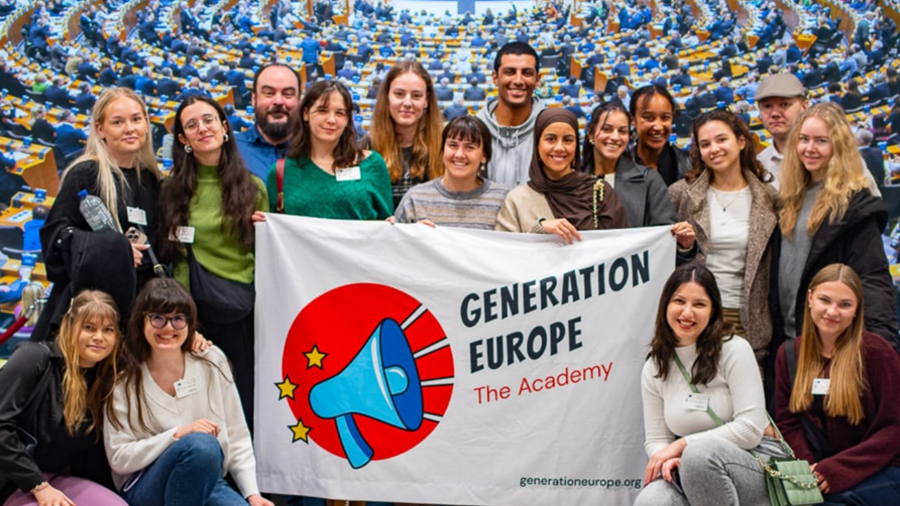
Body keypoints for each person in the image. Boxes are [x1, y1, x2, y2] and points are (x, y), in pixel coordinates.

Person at [769, 102, 899, 401]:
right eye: (803, 139)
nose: (809, 148)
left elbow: (873, 277)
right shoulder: (788, 196)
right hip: (791, 337)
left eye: (821, 141)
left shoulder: (854, 203)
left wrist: (883, 347)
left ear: (838, 145)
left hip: (831, 342)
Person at [104, 278, 274, 506]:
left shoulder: (211, 360)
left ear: (189, 323)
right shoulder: (123, 377)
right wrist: (177, 434)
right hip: (145, 484)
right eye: (157, 318)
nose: (168, 327)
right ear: (141, 321)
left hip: (206, 479)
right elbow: (119, 457)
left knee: (203, 450)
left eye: (178, 319)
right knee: (202, 446)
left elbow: (236, 433)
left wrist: (252, 494)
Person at [157, 96, 268, 428]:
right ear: (183, 140)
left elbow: (265, 255)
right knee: (200, 403)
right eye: (192, 125)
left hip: (242, 313)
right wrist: (184, 323)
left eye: (208, 120)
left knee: (243, 400)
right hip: (194, 316)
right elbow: (175, 260)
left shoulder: (253, 187)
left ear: (224, 128)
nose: (202, 128)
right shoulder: (170, 191)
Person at [635, 264, 783, 506]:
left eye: (699, 304)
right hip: (691, 463)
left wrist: (682, 445)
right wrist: (668, 458)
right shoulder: (655, 366)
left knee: (699, 456)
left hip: (755, 461)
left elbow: (750, 429)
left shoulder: (734, 349)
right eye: (679, 301)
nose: (687, 313)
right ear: (665, 305)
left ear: (713, 310)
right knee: (651, 501)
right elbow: (656, 439)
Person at [32, 87, 161, 343]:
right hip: (86, 314)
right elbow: (54, 239)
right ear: (101, 130)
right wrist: (115, 251)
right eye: (117, 122)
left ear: (146, 124)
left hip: (136, 313)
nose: (129, 128)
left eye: (136, 119)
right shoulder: (84, 174)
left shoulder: (152, 181)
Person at [775, 264, 900, 502]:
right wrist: (809, 469)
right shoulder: (789, 354)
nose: (833, 312)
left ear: (856, 310)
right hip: (821, 467)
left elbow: (893, 428)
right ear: (810, 298)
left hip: (882, 467)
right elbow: (787, 422)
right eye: (825, 300)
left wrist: (836, 470)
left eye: (845, 304)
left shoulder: (877, 353)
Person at [669, 110, 779, 365]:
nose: (714, 149)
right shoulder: (680, 194)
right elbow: (665, 258)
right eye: (705, 144)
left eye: (721, 140)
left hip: (747, 318)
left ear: (741, 141)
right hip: (693, 318)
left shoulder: (769, 198)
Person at [0, 290, 127, 506]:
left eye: (108, 330)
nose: (99, 337)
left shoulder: (106, 377)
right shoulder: (34, 358)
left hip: (61, 478)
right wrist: (38, 485)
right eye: (89, 327)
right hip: (14, 480)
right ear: (70, 326)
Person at [265, 80, 391, 220]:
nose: (331, 120)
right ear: (306, 113)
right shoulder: (281, 173)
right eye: (322, 110)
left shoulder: (373, 166)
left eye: (339, 113)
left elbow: (386, 226)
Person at [495, 108, 627, 242]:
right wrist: (538, 230)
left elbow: (618, 250)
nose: (559, 148)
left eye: (568, 140)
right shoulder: (517, 200)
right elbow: (506, 254)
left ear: (576, 146)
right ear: (537, 145)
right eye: (551, 139)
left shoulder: (600, 192)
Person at [393, 116, 509, 230]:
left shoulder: (503, 200)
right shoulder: (415, 199)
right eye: (453, 145)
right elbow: (394, 245)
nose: (459, 155)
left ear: (484, 156)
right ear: (443, 150)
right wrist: (407, 235)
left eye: (470, 147)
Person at [368, 60, 444, 209]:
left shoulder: (444, 147)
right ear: (387, 96)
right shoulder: (366, 147)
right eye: (399, 94)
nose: (407, 103)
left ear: (426, 101)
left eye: (416, 96)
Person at [476, 42, 546, 188]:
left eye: (527, 73)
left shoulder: (550, 131)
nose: (518, 81)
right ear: (495, 77)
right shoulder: (474, 131)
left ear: (537, 79)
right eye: (510, 72)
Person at [235, 64, 301, 180]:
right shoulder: (230, 149)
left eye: (288, 94)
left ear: (299, 101)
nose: (278, 101)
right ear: (254, 99)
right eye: (269, 93)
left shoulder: (318, 150)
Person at [628, 85, 688, 187]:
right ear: (633, 119)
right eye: (649, 118)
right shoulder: (619, 167)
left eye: (665, 118)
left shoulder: (690, 165)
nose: (658, 127)